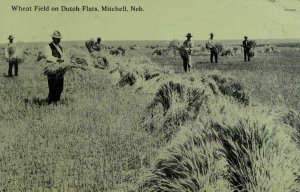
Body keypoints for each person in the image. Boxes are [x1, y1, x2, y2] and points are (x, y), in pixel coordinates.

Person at [44, 31, 65, 104]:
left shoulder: (60, 47)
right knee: (53, 86)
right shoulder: (48, 47)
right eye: (57, 38)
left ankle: (57, 101)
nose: (59, 40)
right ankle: (51, 102)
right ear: (53, 38)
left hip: (60, 69)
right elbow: (48, 57)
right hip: (52, 69)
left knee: (60, 86)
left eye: (59, 39)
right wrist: (57, 59)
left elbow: (63, 57)